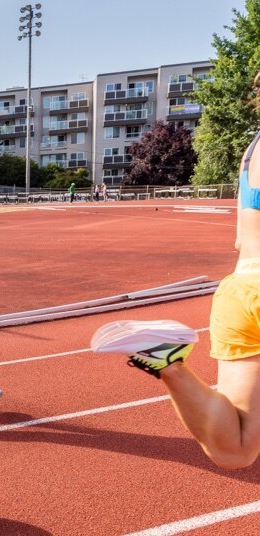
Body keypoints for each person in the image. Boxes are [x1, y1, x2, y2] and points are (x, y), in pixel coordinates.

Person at [105, 72, 260, 470]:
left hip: (240, 289)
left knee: (236, 448)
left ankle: (168, 363)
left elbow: (243, 237)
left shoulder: (253, 150)